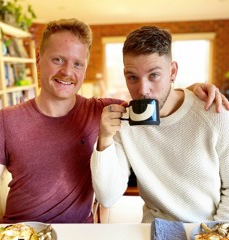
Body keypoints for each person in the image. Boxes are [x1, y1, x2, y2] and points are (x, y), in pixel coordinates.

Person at [0, 19, 226, 224]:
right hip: (19, 230)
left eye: (78, 63)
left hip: (80, 233)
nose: (67, 72)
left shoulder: (107, 111)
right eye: (58, 60)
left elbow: (165, 102)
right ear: (38, 59)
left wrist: (195, 92)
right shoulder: (6, 120)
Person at [90, 25, 229, 223]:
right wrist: (104, 139)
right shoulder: (125, 122)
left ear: (172, 71)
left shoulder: (215, 113)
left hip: (205, 229)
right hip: (154, 229)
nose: (143, 90)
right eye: (132, 77)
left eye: (154, 75)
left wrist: (214, 233)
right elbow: (107, 197)